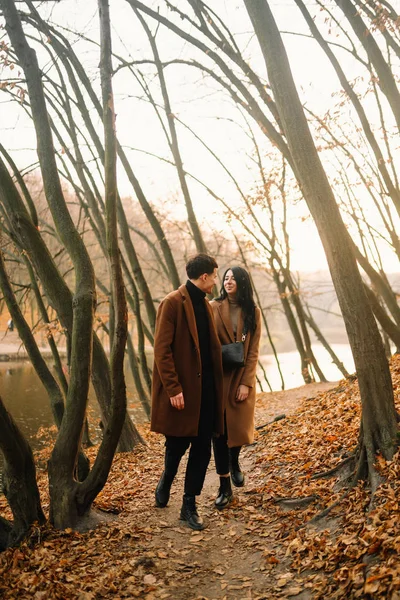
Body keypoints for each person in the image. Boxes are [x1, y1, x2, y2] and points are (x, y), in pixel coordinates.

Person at [151, 253, 224, 530]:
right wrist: (173, 388)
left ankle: (188, 505)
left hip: (206, 391)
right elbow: (162, 350)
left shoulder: (205, 306)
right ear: (204, 276)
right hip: (182, 392)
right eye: (215, 276)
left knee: (203, 449)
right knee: (177, 446)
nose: (216, 282)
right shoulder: (172, 303)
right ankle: (166, 480)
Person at [210, 266, 261, 509]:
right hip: (218, 377)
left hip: (241, 377)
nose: (228, 282)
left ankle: (234, 461)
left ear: (242, 282)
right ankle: (224, 487)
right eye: (226, 278)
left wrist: (246, 383)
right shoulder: (213, 307)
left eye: (233, 278)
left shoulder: (253, 311)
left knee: (238, 429)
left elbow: (253, 351)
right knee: (218, 432)